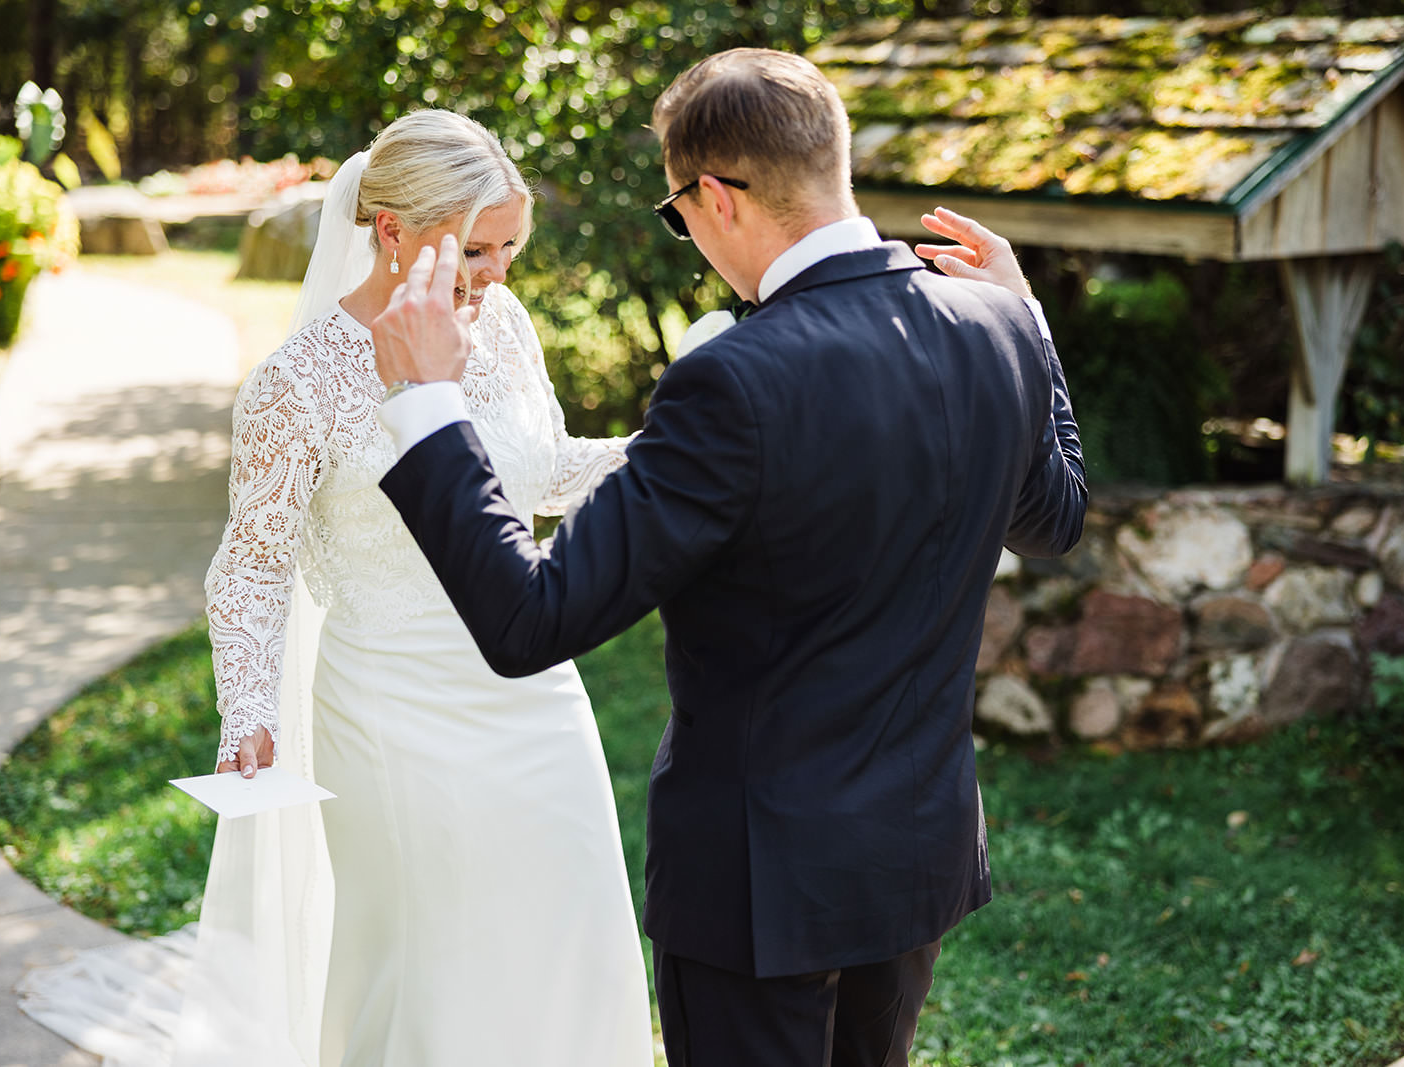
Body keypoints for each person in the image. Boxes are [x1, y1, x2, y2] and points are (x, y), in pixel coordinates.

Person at [369, 48, 1088, 1067]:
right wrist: (1030, 324)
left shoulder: (731, 382)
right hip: (914, 856)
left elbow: (528, 619)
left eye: (678, 212)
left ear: (713, 195)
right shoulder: (1000, 322)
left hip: (758, 891)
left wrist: (430, 403)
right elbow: (1057, 519)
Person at [196, 109, 654, 1065]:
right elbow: (254, 562)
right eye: (476, 249)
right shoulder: (297, 383)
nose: (496, 275)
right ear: (392, 231)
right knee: (436, 960)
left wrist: (681, 451)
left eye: (510, 249)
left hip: (535, 688)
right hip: (389, 708)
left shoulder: (509, 330)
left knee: (571, 930)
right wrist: (246, 704)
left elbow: (543, 467)